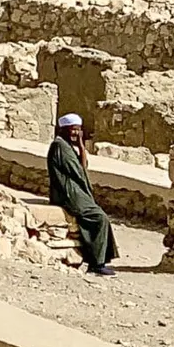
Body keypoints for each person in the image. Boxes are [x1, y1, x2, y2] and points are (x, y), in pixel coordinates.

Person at [46, 112, 118, 278]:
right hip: (67, 193)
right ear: (63, 129)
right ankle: (96, 263)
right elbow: (79, 171)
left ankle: (100, 260)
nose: (75, 133)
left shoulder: (68, 146)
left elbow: (83, 165)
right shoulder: (60, 146)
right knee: (99, 218)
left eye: (78, 130)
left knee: (100, 216)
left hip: (75, 191)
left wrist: (81, 145)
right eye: (72, 129)